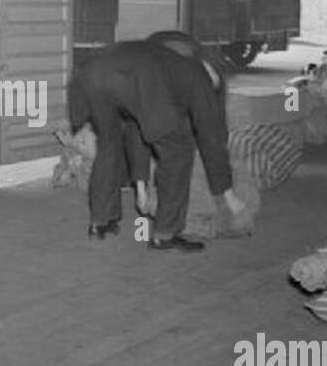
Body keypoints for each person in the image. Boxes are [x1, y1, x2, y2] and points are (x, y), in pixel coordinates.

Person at [67, 38, 247, 251]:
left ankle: (101, 221)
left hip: (91, 75)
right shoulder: (198, 76)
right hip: (133, 79)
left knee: (109, 143)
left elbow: (138, 132)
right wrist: (228, 193)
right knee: (178, 151)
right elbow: (211, 138)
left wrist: (141, 188)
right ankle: (166, 233)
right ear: (212, 74)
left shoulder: (169, 61)